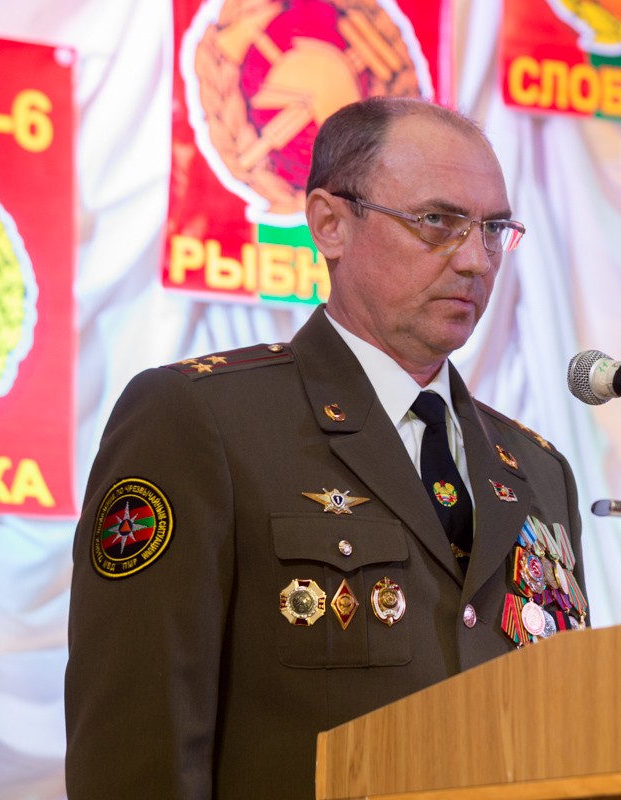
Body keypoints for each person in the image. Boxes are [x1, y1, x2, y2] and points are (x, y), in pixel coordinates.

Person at [65, 97, 588, 799]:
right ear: (330, 224)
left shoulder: (538, 472)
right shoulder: (203, 420)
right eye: (438, 222)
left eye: (493, 229)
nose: (475, 260)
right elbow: (136, 744)